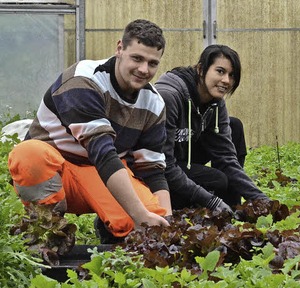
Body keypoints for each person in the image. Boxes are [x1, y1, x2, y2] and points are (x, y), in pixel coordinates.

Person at [8, 19, 171, 244]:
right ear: (120, 49)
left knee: (147, 225)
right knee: (29, 155)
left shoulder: (154, 103)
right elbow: (102, 151)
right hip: (58, 170)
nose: (144, 70)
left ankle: (110, 225)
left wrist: (167, 224)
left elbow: (152, 169)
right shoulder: (84, 80)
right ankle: (47, 229)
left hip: (100, 173)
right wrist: (139, 213)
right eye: (137, 58)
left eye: (152, 63)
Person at [154, 44, 268, 214]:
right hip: (161, 170)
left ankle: (232, 210)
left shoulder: (216, 102)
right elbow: (163, 164)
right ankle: (197, 205)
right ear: (201, 69)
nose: (226, 81)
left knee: (234, 126)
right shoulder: (169, 96)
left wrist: (263, 201)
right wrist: (212, 201)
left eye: (232, 75)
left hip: (185, 157)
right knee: (217, 180)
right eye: (220, 71)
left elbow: (226, 158)